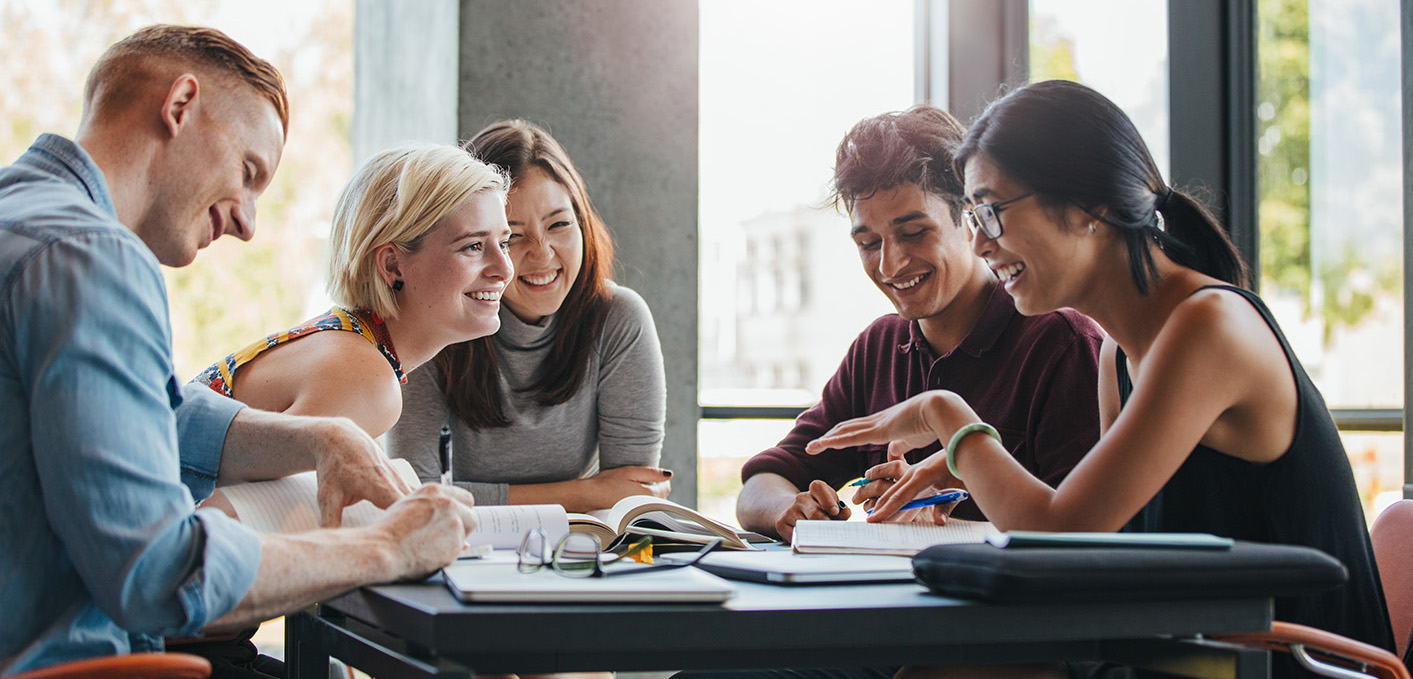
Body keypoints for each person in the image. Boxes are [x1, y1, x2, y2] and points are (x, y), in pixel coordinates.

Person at [811, 80, 1394, 679]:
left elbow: (1058, 533)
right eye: (972, 215)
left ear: (1092, 207)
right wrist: (964, 467)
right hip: (1189, 656)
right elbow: (1093, 551)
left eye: (991, 211)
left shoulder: (1207, 327)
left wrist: (948, 418)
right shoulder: (1118, 353)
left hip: (1285, 666)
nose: (980, 242)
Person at [0, 25, 478, 676]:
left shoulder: (24, 218)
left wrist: (321, 438)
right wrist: (388, 546)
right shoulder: (91, 256)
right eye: (249, 173)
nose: (248, 223)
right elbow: (159, 571)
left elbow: (155, 418)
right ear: (180, 107)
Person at [735, 105, 1105, 541]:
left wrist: (950, 495)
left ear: (970, 220)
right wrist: (788, 508)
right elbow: (762, 483)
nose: (890, 264)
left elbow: (1081, 532)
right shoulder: (878, 348)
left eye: (913, 233)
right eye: (869, 243)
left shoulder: (1061, 343)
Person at [387, 119, 670, 513]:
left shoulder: (618, 319)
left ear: (584, 223)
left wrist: (601, 495)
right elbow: (416, 495)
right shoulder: (433, 321)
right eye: (512, 236)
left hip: (580, 552)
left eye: (559, 224)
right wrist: (585, 493)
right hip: (460, 552)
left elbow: (629, 494)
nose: (542, 254)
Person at [193, 142, 514, 441]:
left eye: (504, 243)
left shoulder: (351, 343)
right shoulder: (366, 381)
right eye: (473, 246)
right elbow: (231, 502)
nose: (505, 269)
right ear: (392, 265)